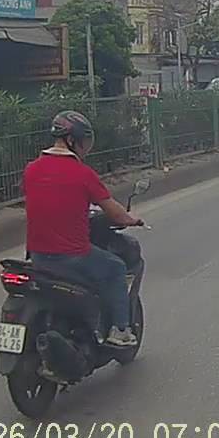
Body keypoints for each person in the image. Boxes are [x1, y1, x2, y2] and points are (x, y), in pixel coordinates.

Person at [23, 110, 143, 347]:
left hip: (37, 256)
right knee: (116, 268)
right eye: (85, 141)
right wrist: (131, 219)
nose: (86, 147)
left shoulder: (31, 170)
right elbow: (114, 212)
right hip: (72, 257)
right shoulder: (82, 173)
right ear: (72, 140)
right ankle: (120, 330)